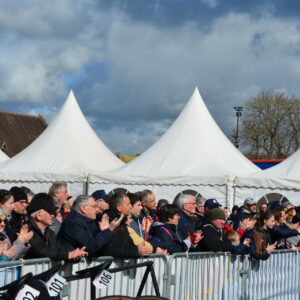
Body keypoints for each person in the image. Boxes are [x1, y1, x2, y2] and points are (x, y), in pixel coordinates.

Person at [25, 193, 87, 261]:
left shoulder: (49, 232)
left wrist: (74, 255)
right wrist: (68, 255)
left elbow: (59, 248)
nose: (53, 215)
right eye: (50, 212)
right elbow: (40, 251)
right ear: (39, 215)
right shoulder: (27, 230)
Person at [102, 192, 153, 258]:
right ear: (119, 208)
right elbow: (111, 249)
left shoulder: (122, 222)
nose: (130, 206)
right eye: (128, 204)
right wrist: (137, 251)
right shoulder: (111, 222)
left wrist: (141, 249)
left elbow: (130, 244)